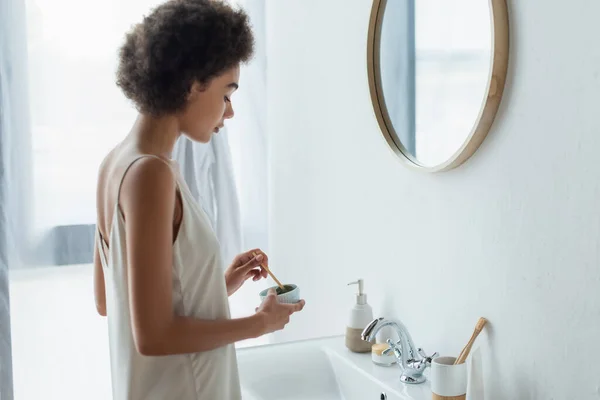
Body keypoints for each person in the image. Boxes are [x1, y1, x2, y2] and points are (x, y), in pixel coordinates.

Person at [93, 1, 305, 399]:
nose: (230, 112)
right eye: (227, 93)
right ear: (193, 83)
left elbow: (111, 300)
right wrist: (260, 323)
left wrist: (218, 283)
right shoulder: (151, 175)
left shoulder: (116, 164)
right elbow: (153, 336)